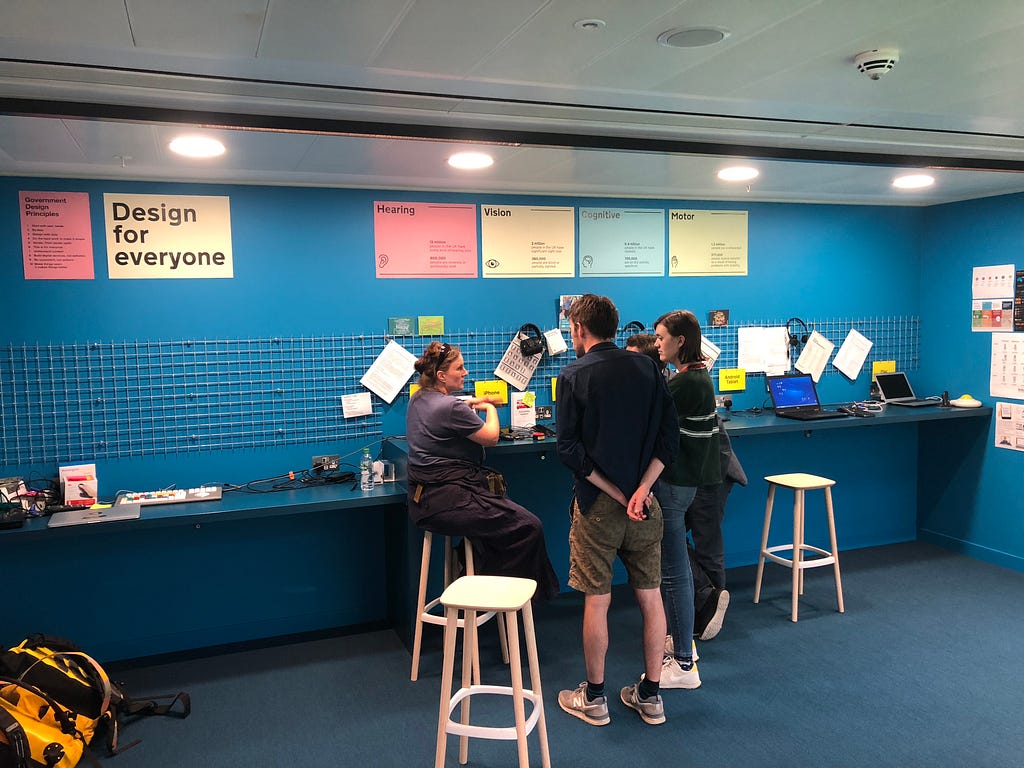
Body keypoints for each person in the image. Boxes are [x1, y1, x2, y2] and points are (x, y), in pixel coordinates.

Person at [555, 294, 679, 727]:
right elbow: (669, 440)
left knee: (597, 599)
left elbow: (569, 451)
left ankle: (593, 698)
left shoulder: (573, 375)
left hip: (598, 509)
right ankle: (651, 694)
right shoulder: (650, 367)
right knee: (650, 596)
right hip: (646, 506)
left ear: (579, 330)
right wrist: (641, 490)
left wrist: (613, 490)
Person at [405, 340, 559, 601]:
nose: (466, 373)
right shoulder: (450, 407)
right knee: (529, 527)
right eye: (460, 368)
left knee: (496, 531)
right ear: (441, 376)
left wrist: (471, 402)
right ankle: (500, 597)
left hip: (423, 502)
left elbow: (450, 409)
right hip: (451, 501)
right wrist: (488, 407)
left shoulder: (419, 399)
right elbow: (490, 437)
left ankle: (473, 571)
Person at [652, 310, 721, 688]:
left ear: (681, 341)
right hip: (684, 484)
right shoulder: (695, 376)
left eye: (661, 338)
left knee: (674, 572)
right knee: (672, 570)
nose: (657, 344)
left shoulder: (685, 384)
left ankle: (682, 664)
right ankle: (681, 642)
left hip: (674, 486)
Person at [688, 418, 747, 640]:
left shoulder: (687, 383)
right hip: (690, 471)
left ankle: (708, 611)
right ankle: (707, 599)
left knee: (707, 542)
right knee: (669, 539)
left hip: (712, 471)